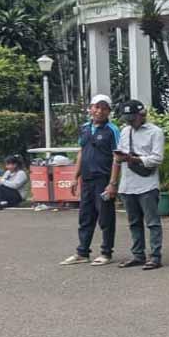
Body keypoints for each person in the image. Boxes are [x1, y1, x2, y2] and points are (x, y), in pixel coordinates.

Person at [59, 95, 120, 264]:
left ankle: (106, 253)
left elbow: (118, 157)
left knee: (105, 217)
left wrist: (113, 183)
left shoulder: (112, 130)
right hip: (87, 179)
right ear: (90, 109)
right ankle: (82, 252)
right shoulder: (85, 128)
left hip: (103, 179)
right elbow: (81, 151)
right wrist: (75, 177)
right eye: (96, 107)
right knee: (85, 216)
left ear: (109, 111)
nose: (99, 111)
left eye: (104, 108)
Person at [111, 100, 165, 270]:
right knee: (134, 222)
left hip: (147, 184)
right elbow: (118, 157)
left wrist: (134, 159)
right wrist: (114, 180)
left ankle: (155, 256)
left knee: (152, 222)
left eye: (132, 118)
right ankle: (138, 255)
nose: (129, 122)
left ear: (142, 115)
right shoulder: (125, 131)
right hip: (127, 185)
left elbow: (157, 158)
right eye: (127, 119)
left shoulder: (155, 132)